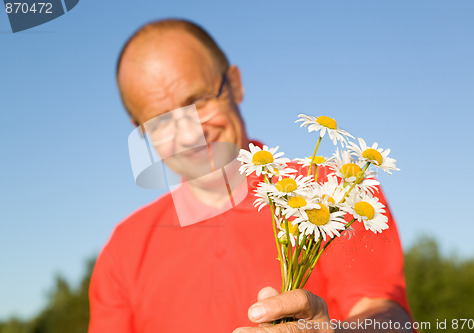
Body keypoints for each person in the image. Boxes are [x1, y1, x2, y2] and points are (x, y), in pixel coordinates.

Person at [89, 19, 413, 333]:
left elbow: (386, 315)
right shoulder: (124, 250)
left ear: (234, 83)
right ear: (141, 130)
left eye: (198, 101)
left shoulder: (335, 191)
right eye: (161, 121)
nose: (189, 135)